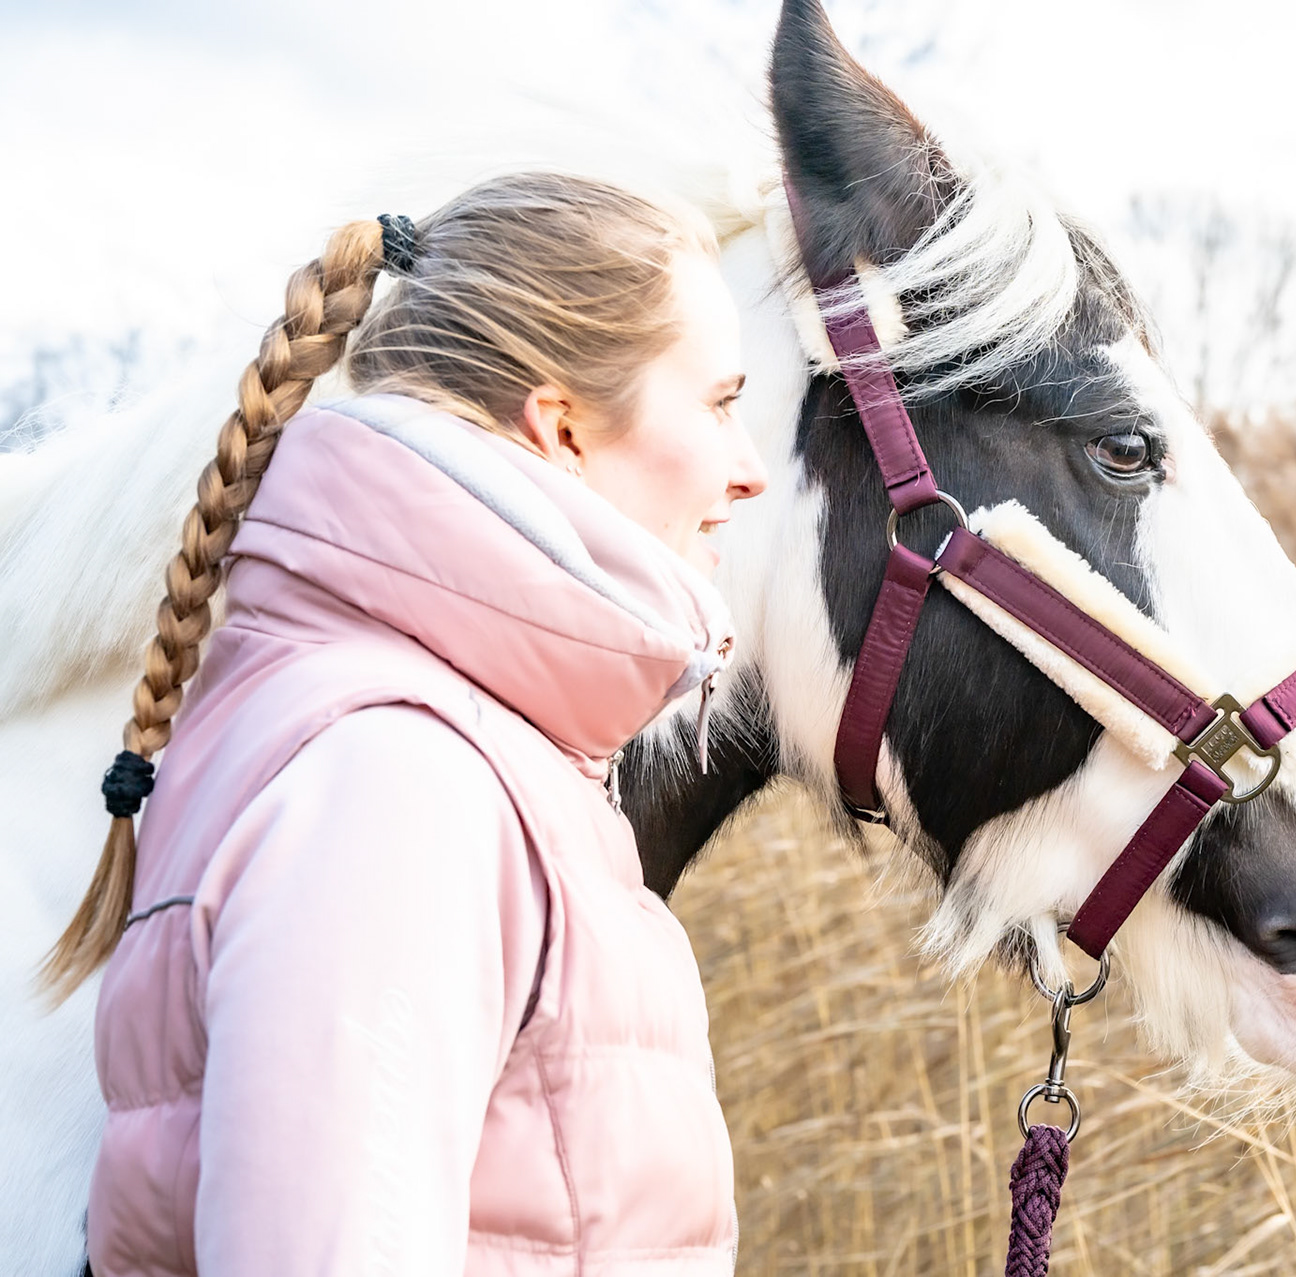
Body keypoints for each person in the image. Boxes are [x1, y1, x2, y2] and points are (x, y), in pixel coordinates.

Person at [39, 172, 769, 1276]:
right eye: (719, 403)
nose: (750, 467)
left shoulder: (442, 741)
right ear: (562, 425)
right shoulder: (396, 783)